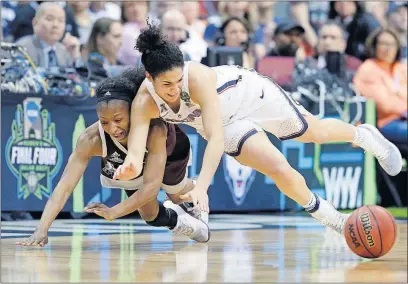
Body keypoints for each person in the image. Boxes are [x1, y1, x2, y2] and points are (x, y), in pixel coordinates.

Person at [114, 22, 402, 235]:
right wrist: (130, 164)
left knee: (314, 133)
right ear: (149, 78)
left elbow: (213, 139)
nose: (175, 89)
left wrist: (201, 186)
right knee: (277, 167)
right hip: (227, 124)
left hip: (250, 94)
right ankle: (334, 220)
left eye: (179, 81)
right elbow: (137, 150)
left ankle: (363, 136)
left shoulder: (197, 77)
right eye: (167, 85)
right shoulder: (144, 102)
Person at [15, 68, 210, 247]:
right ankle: (181, 222)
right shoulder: (90, 139)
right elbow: (64, 187)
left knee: (175, 192)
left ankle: (196, 197)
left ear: (133, 111)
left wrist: (114, 211)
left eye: (118, 120)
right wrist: (42, 229)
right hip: (132, 164)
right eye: (104, 122)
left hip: (170, 151)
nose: (112, 129)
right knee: (151, 217)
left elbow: (151, 188)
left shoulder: (155, 128)